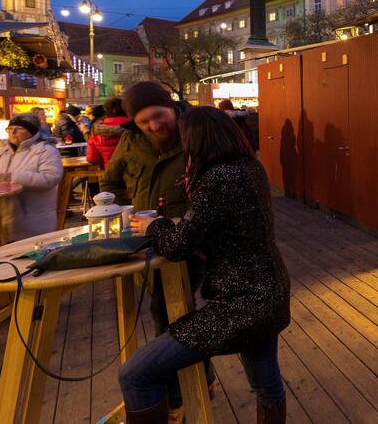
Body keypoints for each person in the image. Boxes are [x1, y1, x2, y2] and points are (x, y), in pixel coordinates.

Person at [122, 106, 290, 423]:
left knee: (136, 373)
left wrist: (153, 226)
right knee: (266, 386)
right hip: (269, 292)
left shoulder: (217, 179)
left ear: (196, 141)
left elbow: (177, 246)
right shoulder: (249, 167)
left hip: (241, 304)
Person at [100, 81, 198, 418]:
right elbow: (110, 182)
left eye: (159, 116)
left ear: (170, 107)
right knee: (165, 313)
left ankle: (176, 397)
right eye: (145, 122)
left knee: (167, 313)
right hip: (145, 243)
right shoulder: (130, 141)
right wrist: (126, 210)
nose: (155, 126)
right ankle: (199, 381)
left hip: (191, 241)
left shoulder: (196, 132)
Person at [0, 113, 63, 242]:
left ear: (31, 132)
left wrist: (10, 177)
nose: (13, 132)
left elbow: (50, 178)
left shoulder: (46, 151)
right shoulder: (2, 153)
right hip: (3, 218)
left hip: (34, 222)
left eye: (19, 128)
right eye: (10, 129)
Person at [86, 98, 129, 169]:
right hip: (138, 173)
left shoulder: (96, 131)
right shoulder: (138, 125)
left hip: (111, 172)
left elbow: (92, 159)